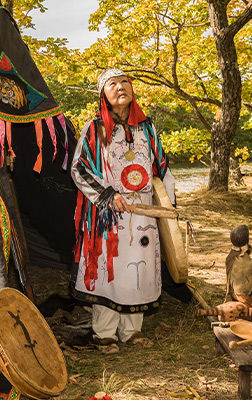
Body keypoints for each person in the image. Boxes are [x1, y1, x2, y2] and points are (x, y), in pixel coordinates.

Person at [70, 68, 176, 354]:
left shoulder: (147, 128)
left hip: (144, 213)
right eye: (112, 84)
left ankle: (132, 331)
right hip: (110, 214)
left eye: (125, 82)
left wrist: (170, 207)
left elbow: (162, 168)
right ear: (103, 94)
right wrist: (107, 194)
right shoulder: (95, 129)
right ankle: (104, 333)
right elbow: (78, 168)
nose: (120, 87)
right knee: (111, 271)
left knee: (138, 269)